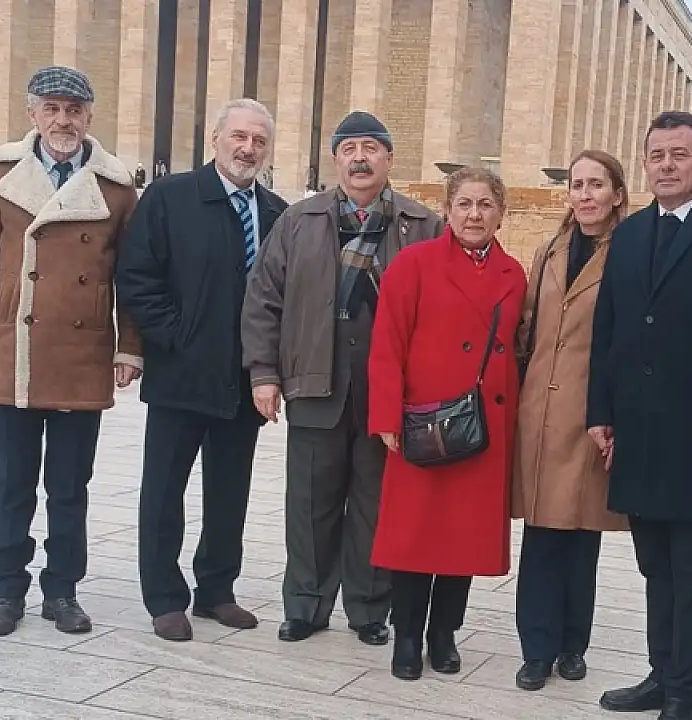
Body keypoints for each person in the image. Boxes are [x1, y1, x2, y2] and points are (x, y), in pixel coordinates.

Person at [0, 65, 142, 636]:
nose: (64, 120)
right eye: (52, 109)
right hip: (12, 351)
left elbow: (132, 275)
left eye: (74, 110)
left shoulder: (115, 184)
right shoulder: (2, 172)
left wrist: (130, 348)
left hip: (82, 357)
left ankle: (63, 590)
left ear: (89, 117)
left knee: (68, 486)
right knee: (10, 483)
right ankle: (6, 590)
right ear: (33, 113)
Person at [242, 111, 443, 646]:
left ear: (389, 159)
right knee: (311, 504)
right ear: (336, 160)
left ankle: (369, 608)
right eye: (349, 148)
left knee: (376, 504)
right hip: (315, 382)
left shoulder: (422, 226)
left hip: (387, 395)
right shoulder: (300, 220)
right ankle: (305, 605)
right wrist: (264, 374)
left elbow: (443, 312)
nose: (360, 157)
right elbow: (264, 298)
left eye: (371, 148)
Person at [587, 111, 692, 720]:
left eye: (679, 154)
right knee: (654, 561)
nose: (667, 165)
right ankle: (661, 671)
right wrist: (600, 409)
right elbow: (610, 327)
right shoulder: (628, 235)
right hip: (638, 428)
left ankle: (685, 691)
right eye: (657, 155)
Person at [116, 98, 289, 642]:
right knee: (164, 489)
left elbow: (282, 296)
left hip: (241, 381)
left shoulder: (277, 212)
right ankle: (165, 597)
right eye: (239, 136)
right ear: (216, 139)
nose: (248, 149)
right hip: (180, 375)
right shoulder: (170, 197)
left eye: (259, 141)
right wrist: (176, 337)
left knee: (229, 490)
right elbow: (137, 275)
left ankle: (217, 590)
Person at [367, 167, 527, 681]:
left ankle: (444, 633)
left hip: (481, 428)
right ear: (448, 210)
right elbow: (387, 344)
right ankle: (408, 635)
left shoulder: (513, 274)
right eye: (464, 204)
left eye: (485, 205)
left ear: (501, 213)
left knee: (463, 539)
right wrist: (386, 415)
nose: (474, 214)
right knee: (415, 536)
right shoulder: (414, 264)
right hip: (424, 424)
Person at [512, 149, 630, 692]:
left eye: (596, 185)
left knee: (582, 535)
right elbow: (530, 327)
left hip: (591, 413)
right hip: (540, 410)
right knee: (541, 536)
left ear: (616, 194)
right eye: (577, 185)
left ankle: (571, 644)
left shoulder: (629, 251)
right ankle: (535, 648)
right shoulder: (549, 249)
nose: (584, 194)